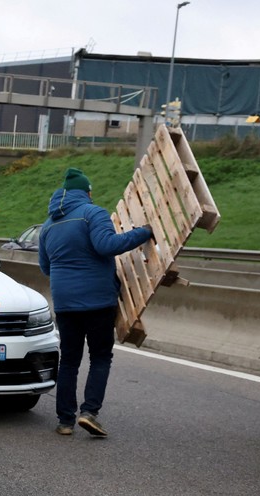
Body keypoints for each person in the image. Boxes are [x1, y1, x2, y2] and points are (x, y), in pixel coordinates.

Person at [38, 168, 152, 437]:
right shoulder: (93, 213)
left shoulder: (48, 225)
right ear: (86, 192)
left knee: (69, 361)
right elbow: (107, 245)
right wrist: (142, 233)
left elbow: (46, 267)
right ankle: (89, 413)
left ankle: (65, 421)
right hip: (98, 301)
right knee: (100, 357)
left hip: (65, 304)